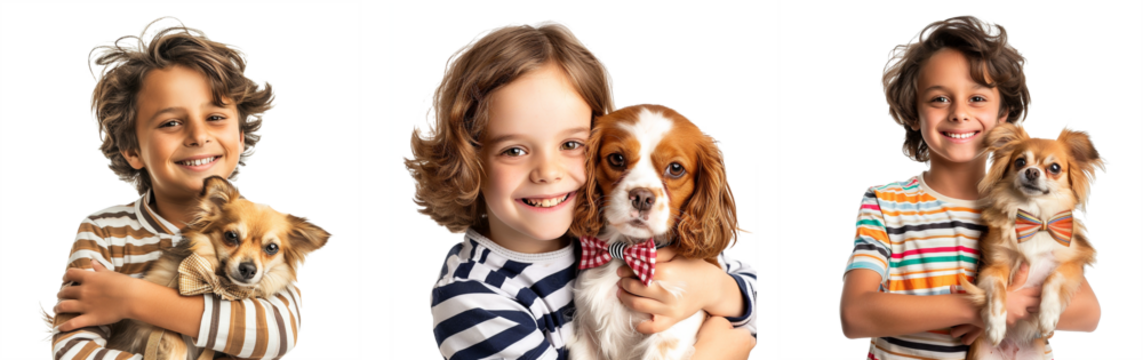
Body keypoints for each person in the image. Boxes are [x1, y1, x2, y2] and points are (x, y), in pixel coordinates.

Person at [405, 19, 759, 359]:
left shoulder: (625, 237)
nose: (547, 172)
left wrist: (716, 289)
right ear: (468, 160)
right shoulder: (474, 296)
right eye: (513, 150)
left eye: (571, 145)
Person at [839, 13, 1102, 359]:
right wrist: (977, 308)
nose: (959, 113)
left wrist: (1015, 307)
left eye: (977, 99)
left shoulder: (1032, 207)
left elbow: (1088, 313)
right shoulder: (886, 202)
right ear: (914, 113)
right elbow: (854, 316)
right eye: (939, 99)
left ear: (1004, 115)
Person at [39, 14, 293, 360]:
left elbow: (276, 335)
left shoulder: (267, 232)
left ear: (240, 133)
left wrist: (132, 299)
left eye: (215, 117)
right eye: (171, 122)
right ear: (133, 150)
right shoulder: (104, 232)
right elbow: (72, 348)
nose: (199, 136)